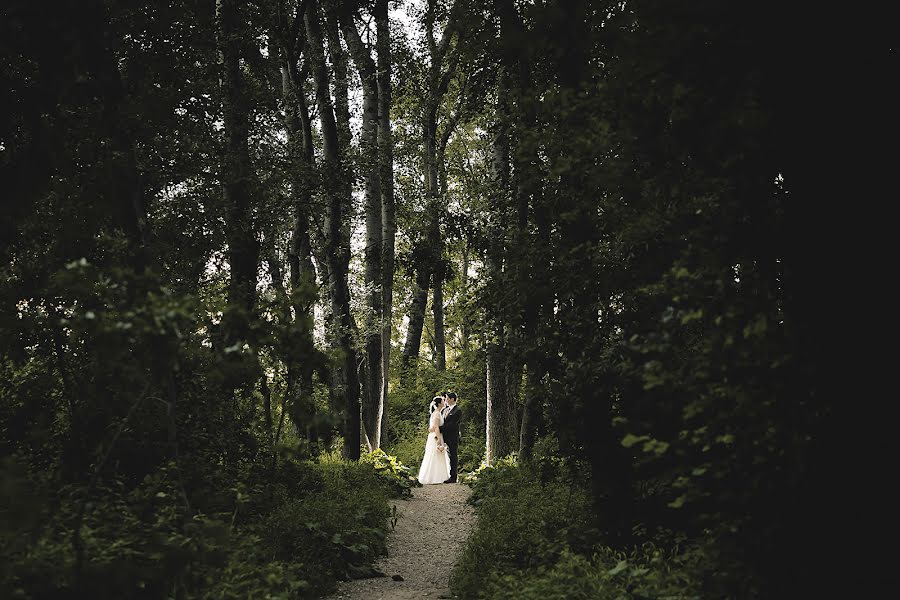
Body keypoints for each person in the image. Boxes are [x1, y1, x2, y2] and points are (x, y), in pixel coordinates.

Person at [416, 396, 451, 484]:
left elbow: (434, 427)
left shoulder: (438, 413)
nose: (444, 402)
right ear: (439, 404)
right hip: (436, 436)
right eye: (443, 401)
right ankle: (433, 477)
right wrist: (439, 439)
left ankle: (439, 476)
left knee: (438, 455)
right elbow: (435, 427)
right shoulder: (436, 413)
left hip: (436, 435)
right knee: (434, 454)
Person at [439, 392, 462, 483]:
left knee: (453, 456)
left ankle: (453, 476)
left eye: (447, 398)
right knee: (445, 456)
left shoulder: (457, 411)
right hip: (444, 436)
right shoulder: (445, 410)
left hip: (452, 437)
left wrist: (439, 429)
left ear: (452, 399)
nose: (446, 400)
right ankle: (445, 474)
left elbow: (452, 425)